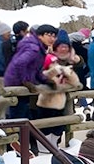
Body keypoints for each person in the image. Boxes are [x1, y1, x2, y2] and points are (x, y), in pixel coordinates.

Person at [3, 24, 59, 154]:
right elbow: (20, 63)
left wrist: (46, 80)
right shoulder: (33, 48)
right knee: (18, 117)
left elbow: (35, 70)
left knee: (25, 117)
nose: (52, 38)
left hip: (20, 85)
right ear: (40, 35)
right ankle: (14, 150)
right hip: (16, 85)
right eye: (48, 35)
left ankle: (26, 148)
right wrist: (25, 81)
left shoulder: (39, 48)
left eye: (54, 36)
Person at [35, 39, 82, 149]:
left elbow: (76, 83)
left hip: (59, 103)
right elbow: (42, 77)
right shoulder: (45, 70)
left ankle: (53, 145)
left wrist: (68, 73)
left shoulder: (63, 68)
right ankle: (43, 146)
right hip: (45, 103)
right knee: (45, 126)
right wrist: (54, 71)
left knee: (59, 127)